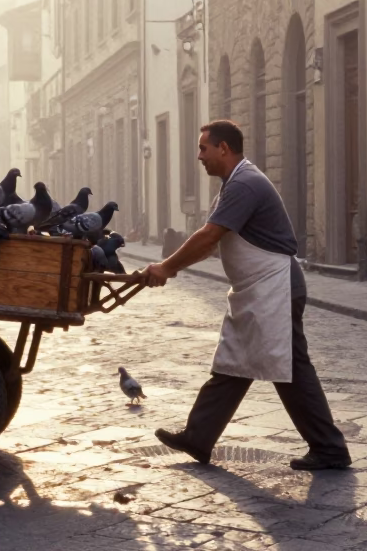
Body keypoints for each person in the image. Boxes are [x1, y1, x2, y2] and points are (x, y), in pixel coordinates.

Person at [140, 120, 351, 471]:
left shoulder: (245, 184)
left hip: (276, 287)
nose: (199, 156)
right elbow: (211, 243)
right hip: (259, 290)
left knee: (292, 369)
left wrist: (167, 267)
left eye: (203, 148)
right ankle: (198, 436)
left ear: (224, 148)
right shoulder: (232, 185)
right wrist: (168, 264)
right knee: (233, 362)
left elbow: (209, 237)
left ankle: (329, 448)